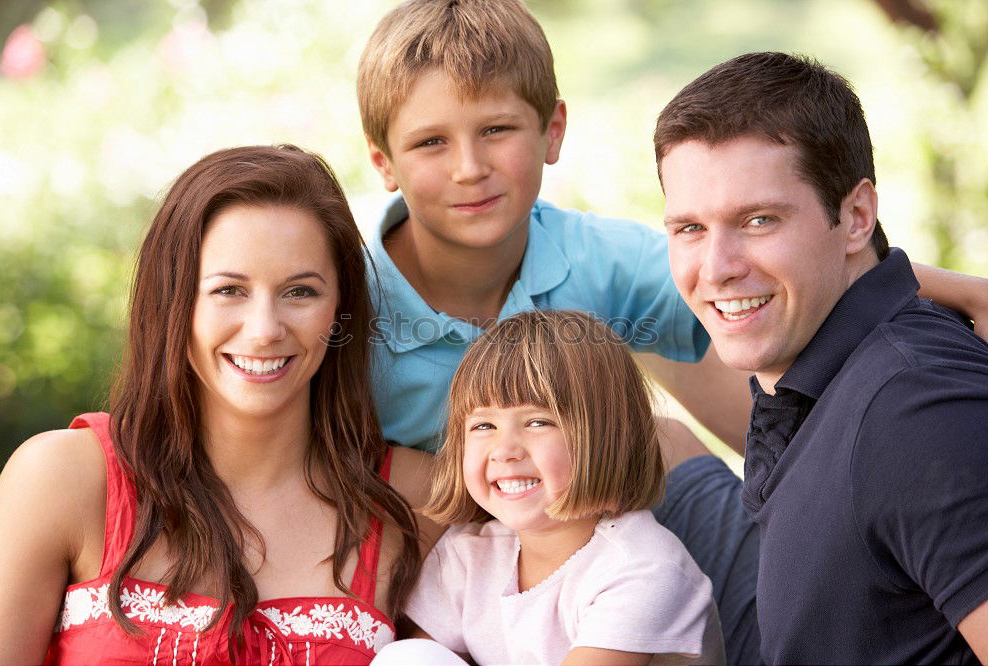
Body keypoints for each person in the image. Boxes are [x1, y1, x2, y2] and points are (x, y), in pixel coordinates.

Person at [355, 2, 987, 664]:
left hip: (604, 539)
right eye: (432, 142)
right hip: (459, 546)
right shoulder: (347, 294)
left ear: (552, 131)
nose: (468, 168)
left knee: (657, 439)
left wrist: (960, 290)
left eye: (495, 130)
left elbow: (764, 275)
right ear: (383, 160)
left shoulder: (598, 261)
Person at [0, 145, 438, 665]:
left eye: (300, 292)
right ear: (173, 302)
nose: (265, 330)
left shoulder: (413, 501)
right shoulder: (63, 478)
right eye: (229, 290)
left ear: (340, 311)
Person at [656, 51, 988, 664]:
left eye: (758, 220)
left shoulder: (915, 409)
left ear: (857, 216)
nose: (717, 268)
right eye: (690, 229)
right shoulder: (811, 363)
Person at [375, 310, 725, 665]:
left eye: (538, 422)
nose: (505, 450)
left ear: (607, 438)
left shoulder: (642, 567)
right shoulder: (471, 554)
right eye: (483, 426)